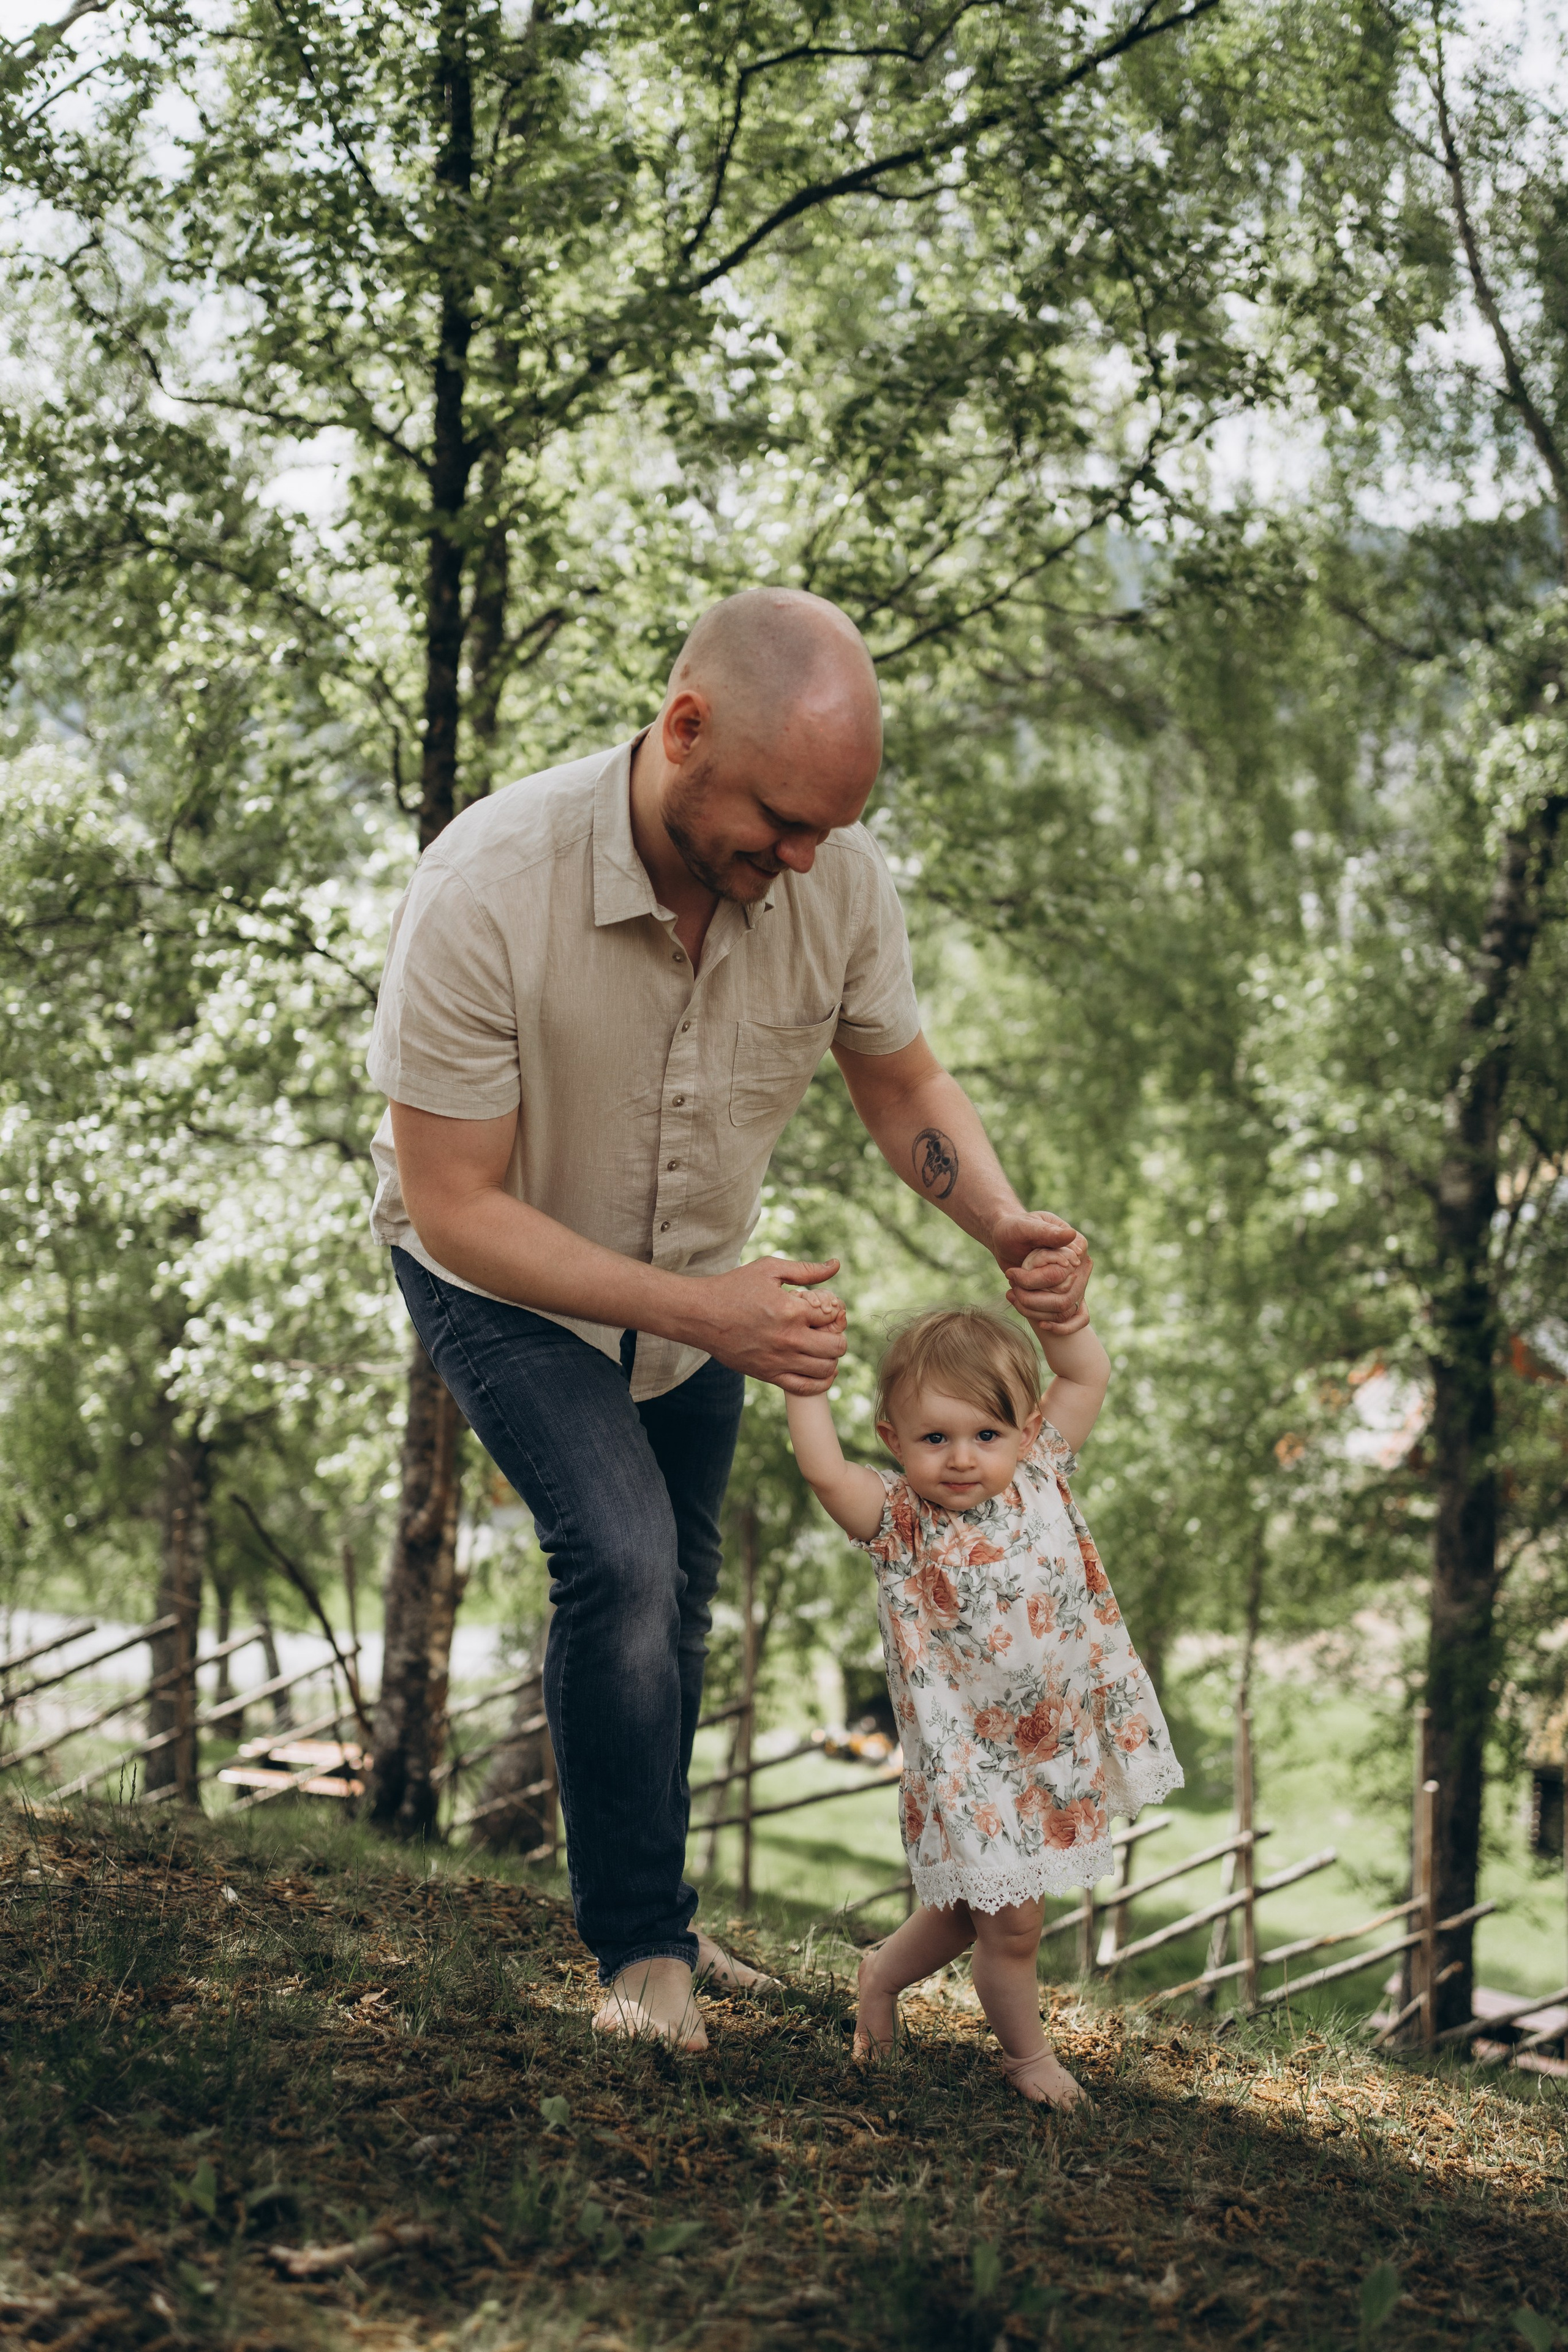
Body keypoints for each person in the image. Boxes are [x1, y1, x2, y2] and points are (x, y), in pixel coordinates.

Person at [366, 586, 1092, 2050]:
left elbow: (900, 1084)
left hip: (706, 1289)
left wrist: (999, 1218)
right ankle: (637, 1955)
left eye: (832, 829)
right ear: (682, 729)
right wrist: (709, 1310)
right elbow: (455, 1203)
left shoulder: (830, 877)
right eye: (782, 821)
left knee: (679, 1597)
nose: (807, 860)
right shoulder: (487, 886)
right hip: (505, 1278)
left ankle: (671, 1930)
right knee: (620, 1562)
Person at [785, 1303, 1182, 2106]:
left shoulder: (1041, 1473)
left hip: (1055, 1749)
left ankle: (879, 1975)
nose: (962, 1458)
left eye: (986, 1435)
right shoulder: (900, 1521)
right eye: (935, 1438)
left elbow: (1086, 1371)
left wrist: (1062, 1314)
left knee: (973, 1911)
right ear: (894, 1440)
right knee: (1013, 1925)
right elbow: (827, 1471)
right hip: (973, 1770)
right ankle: (1027, 2058)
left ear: (1027, 1431)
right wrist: (804, 1385)